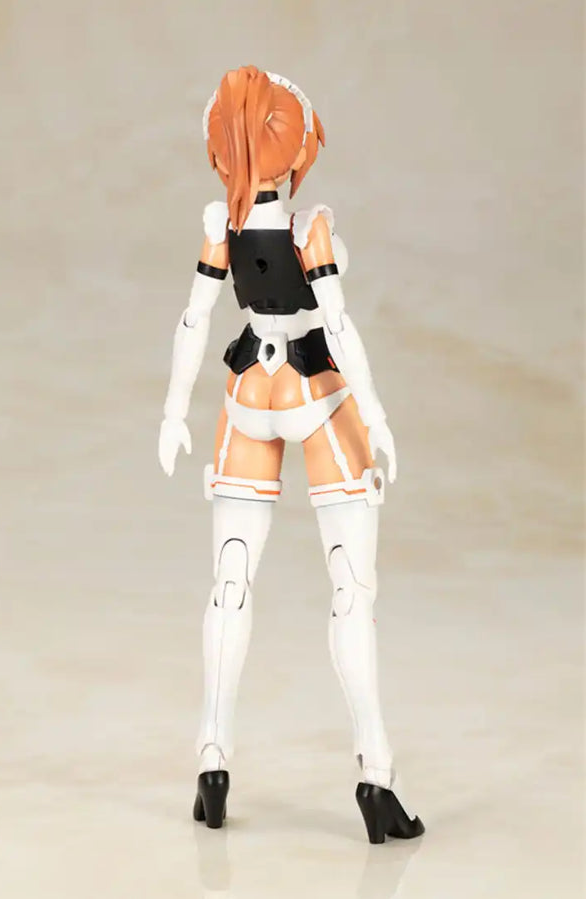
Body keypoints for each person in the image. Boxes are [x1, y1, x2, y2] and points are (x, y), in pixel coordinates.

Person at [158, 65, 424, 843]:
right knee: (350, 589)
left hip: (248, 392)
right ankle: (376, 773)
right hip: (316, 393)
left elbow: (193, 318)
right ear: (300, 148)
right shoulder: (312, 229)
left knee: (230, 581)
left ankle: (212, 760)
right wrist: (376, 414)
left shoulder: (222, 224)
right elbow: (337, 326)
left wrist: (174, 409)